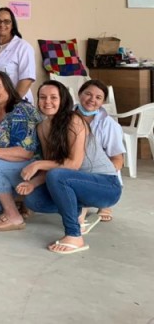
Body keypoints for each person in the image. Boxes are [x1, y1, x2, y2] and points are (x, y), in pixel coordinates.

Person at [17, 81, 123, 253]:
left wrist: (37, 164)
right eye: (42, 97)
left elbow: (73, 164)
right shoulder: (42, 127)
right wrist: (33, 184)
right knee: (33, 199)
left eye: (53, 97)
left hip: (106, 186)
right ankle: (78, 214)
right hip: (77, 184)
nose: (47, 102)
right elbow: (54, 165)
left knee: (57, 175)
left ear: (63, 100)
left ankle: (75, 236)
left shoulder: (74, 120)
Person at [0, 72, 42, 231]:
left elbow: (26, 152)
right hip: (5, 167)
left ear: (8, 88)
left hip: (27, 165)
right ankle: (19, 199)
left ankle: (13, 216)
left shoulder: (21, 110)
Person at [76, 80, 125, 224]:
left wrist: (101, 177)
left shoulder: (109, 124)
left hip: (99, 172)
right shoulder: (66, 117)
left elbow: (117, 159)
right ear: (79, 94)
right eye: (88, 94)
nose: (92, 100)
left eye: (98, 98)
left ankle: (104, 203)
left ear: (103, 102)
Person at [0, 8, 36, 102]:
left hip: (17, 103)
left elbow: (27, 79)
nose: (2, 24)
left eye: (6, 21)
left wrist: (12, 103)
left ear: (12, 25)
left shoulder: (23, 47)